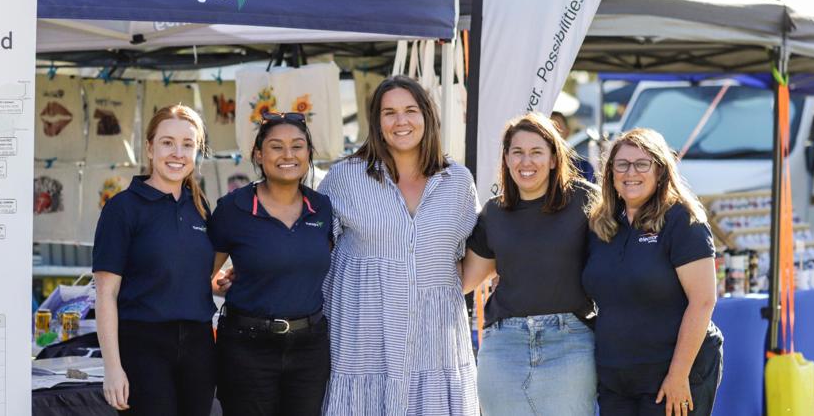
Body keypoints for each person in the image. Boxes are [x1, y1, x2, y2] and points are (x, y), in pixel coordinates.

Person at [317, 75, 480, 415]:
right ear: (376, 122)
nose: (400, 121)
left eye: (410, 110)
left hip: (435, 340)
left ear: (427, 116)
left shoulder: (458, 182)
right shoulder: (345, 177)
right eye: (389, 112)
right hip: (364, 337)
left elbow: (475, 257)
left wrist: (424, 287)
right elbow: (315, 250)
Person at [461, 112, 598, 415]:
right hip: (503, 347)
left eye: (537, 152)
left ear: (553, 158)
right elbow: (464, 280)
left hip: (570, 344)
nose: (526, 162)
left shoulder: (584, 201)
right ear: (506, 159)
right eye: (517, 152)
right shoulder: (494, 213)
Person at [583, 128, 722, 416]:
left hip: (671, 374)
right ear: (610, 173)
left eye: (642, 164)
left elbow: (703, 301)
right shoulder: (601, 225)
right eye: (621, 164)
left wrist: (678, 375)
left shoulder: (683, 221)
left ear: (660, 171)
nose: (630, 172)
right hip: (616, 378)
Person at [93, 105, 216, 415]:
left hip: (199, 345)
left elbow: (194, 273)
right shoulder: (122, 209)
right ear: (149, 147)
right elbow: (106, 294)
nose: (177, 153)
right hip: (143, 345)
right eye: (167, 142)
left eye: (187, 144)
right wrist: (112, 368)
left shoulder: (200, 207)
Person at [208, 112, 333, 416]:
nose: (288, 155)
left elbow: (308, 263)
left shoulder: (322, 207)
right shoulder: (232, 209)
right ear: (258, 155)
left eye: (297, 146)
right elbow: (202, 274)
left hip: (309, 347)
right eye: (276, 146)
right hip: (246, 347)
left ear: (309, 154)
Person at [551, 110, 596, 183]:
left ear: (567, 131)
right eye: (550, 128)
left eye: (557, 128)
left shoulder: (584, 168)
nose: (554, 133)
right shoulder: (538, 166)